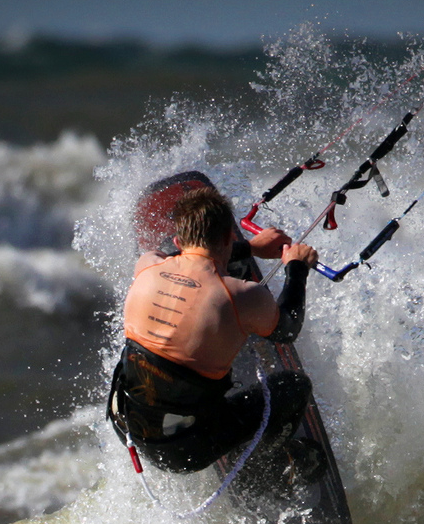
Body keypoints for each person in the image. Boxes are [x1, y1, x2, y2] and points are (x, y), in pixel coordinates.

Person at [107, 185, 323, 480]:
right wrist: (296, 269)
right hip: (185, 452)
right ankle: (262, 472)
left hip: (128, 430)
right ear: (228, 237)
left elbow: (183, 257)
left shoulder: (146, 266)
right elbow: (287, 328)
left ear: (177, 240)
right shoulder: (242, 296)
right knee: (294, 387)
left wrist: (249, 247)